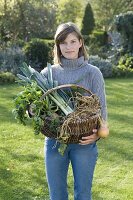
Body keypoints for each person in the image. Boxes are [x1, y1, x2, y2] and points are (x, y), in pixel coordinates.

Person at [41, 22, 108, 200]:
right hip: (55, 143)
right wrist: (32, 111)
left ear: (80, 43)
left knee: (83, 195)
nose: (68, 47)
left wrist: (98, 134)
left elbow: (102, 107)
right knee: (57, 195)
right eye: (63, 42)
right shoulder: (48, 74)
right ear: (58, 46)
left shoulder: (93, 73)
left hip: (84, 142)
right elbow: (36, 110)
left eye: (72, 41)